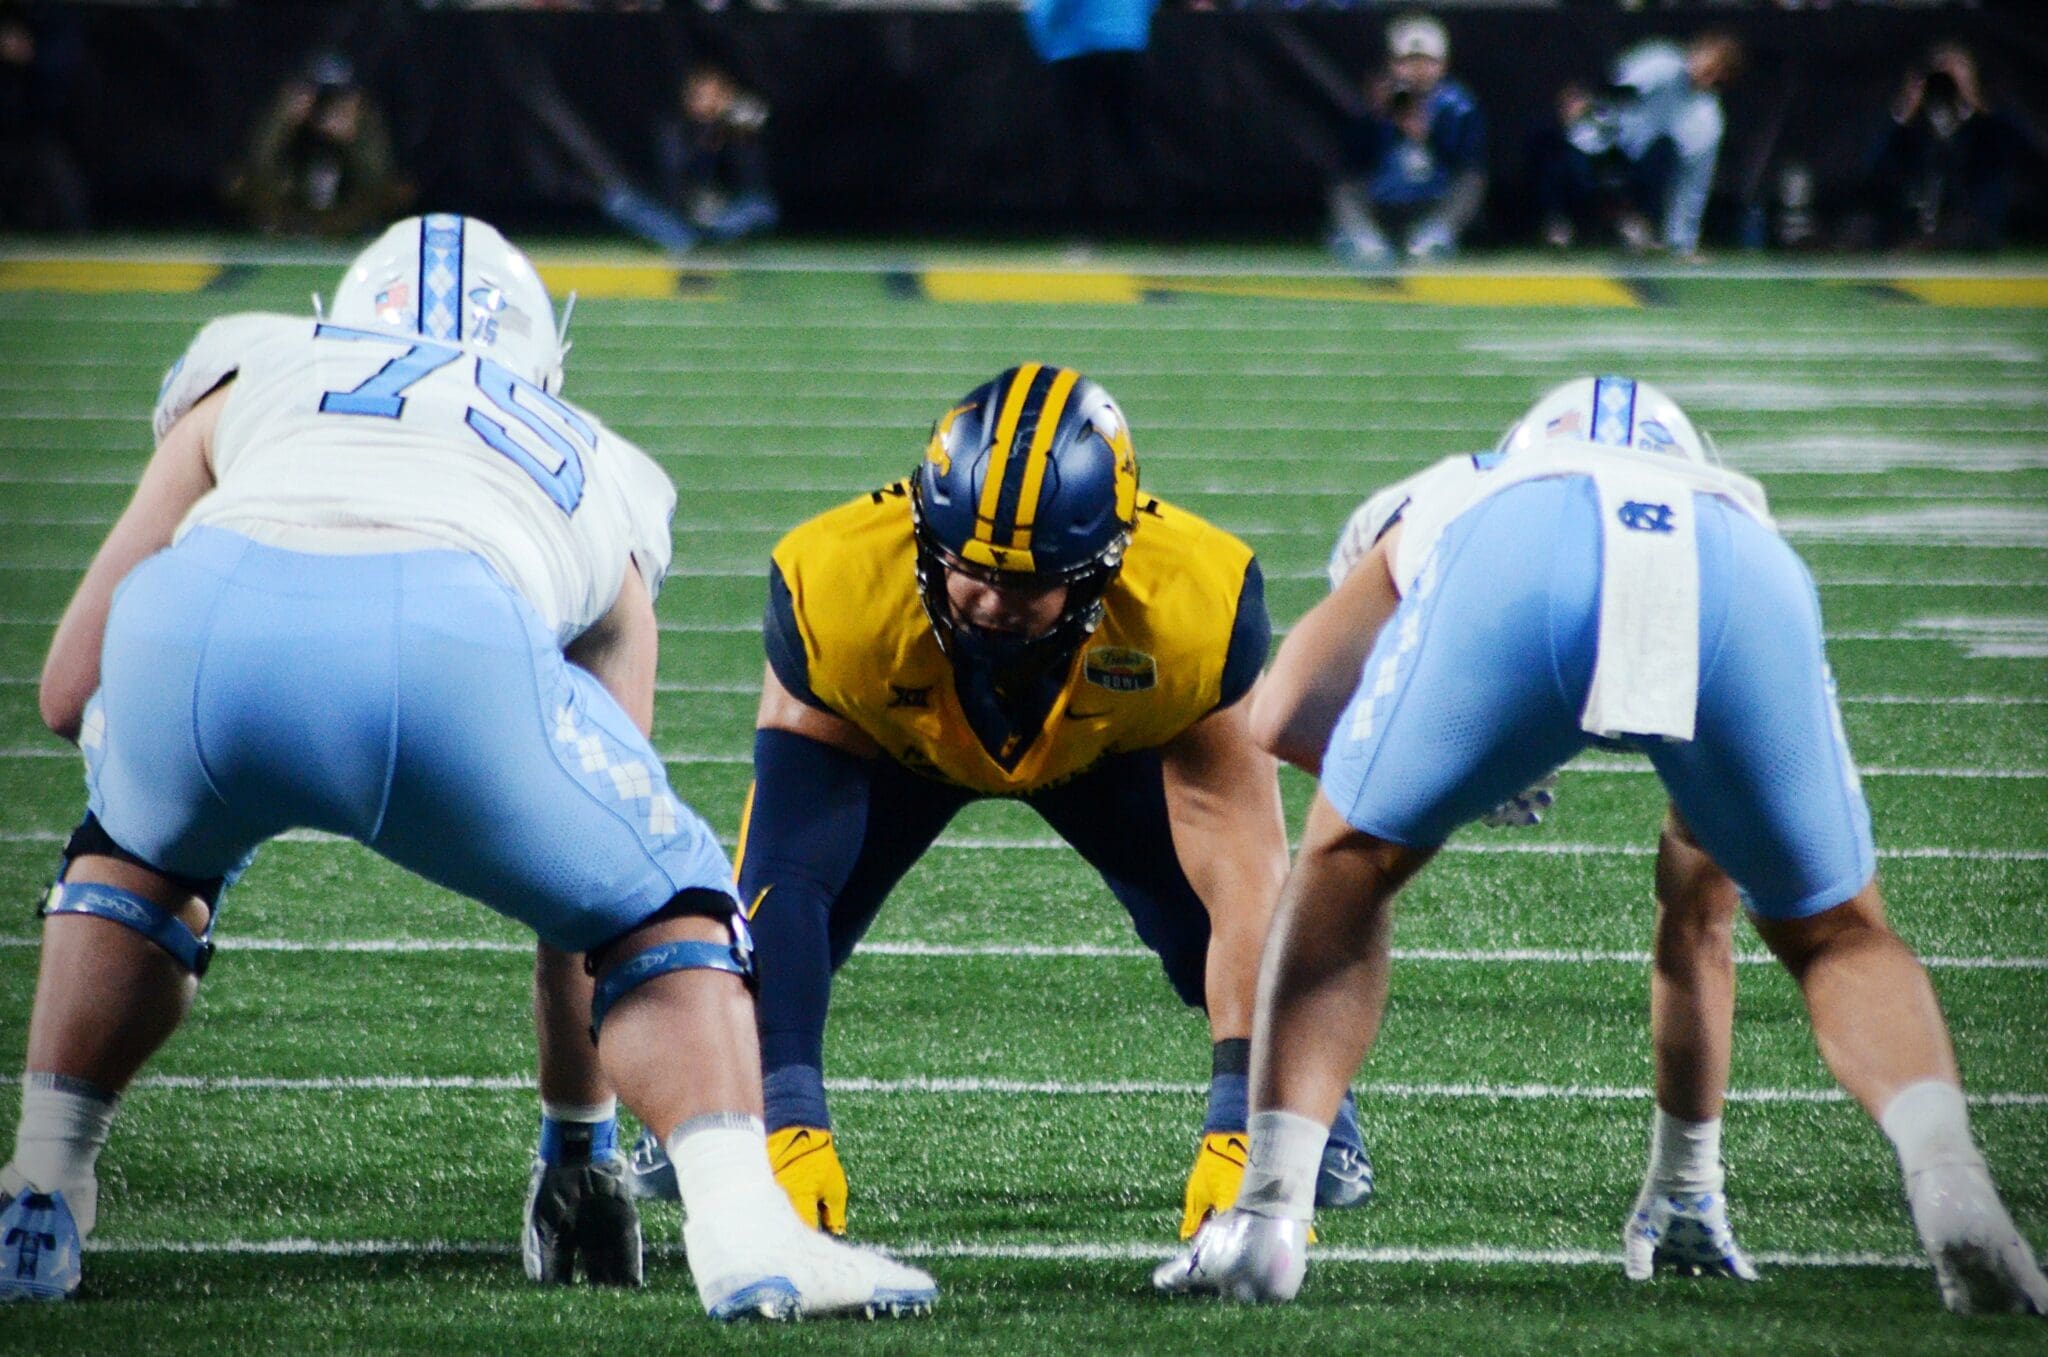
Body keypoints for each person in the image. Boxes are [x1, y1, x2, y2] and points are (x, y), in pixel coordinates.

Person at [0, 214, 935, 1322]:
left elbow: (67, 689)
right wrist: (575, 1146)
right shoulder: (599, 459)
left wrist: (177, 780)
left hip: (189, 632)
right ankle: (747, 1236)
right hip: (447, 636)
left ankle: (40, 1193)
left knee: (132, 848)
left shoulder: (257, 356)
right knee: (669, 894)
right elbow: (586, 904)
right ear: (542, 353)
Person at [1154, 376, 2048, 1316]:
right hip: (1732, 577)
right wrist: (1685, 1177)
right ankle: (1953, 1186)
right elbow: (1700, 911)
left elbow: (1285, 708)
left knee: (1348, 865)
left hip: (1521, 552)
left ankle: (1266, 1220)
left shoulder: (1471, 480)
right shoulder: (1735, 504)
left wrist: (1454, 769)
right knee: (1836, 934)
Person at [626, 364, 1371, 1242]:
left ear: (1101, 568)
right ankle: (720, 1099)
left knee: (1196, 925)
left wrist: (1247, 1117)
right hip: (898, 738)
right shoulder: (838, 583)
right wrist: (786, 1111)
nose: (986, 599)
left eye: (1026, 582)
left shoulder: (1190, 606)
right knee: (762, 932)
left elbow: (1244, 867)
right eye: (965, 567)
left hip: (1104, 739)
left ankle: (1300, 1108)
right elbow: (788, 867)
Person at [1535, 32, 1741, 259]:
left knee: (1666, 152)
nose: (1706, 76)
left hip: (1636, 173)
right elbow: (1614, 87)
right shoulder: (1661, 62)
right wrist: (1583, 109)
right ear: (1697, 52)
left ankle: (1635, 225)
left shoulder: (1708, 121)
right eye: (1707, 66)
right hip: (1598, 148)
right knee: (1550, 148)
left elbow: (1692, 186)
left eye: (1717, 75)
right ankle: (1558, 224)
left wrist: (1683, 244)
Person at [1328, 14, 1485, 265]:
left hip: (1432, 200)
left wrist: (1428, 135)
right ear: (1392, 64)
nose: (1418, 71)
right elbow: (1351, 162)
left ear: (1442, 65)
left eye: (1426, 62)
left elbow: (1466, 159)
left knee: (1472, 182)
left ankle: (1434, 237)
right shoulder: (1378, 100)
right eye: (1408, 62)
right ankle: (1365, 240)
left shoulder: (1458, 105)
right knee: (1344, 191)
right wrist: (1375, 121)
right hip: (1383, 202)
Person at [227, 51, 411, 239]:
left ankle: (343, 228)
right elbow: (258, 168)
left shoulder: (363, 117)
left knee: (395, 189)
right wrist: (283, 124)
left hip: (347, 216)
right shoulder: (282, 114)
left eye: (334, 96)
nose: (323, 104)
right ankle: (280, 226)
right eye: (315, 95)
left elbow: (377, 180)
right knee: (240, 181)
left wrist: (353, 140)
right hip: (287, 213)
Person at [1857, 43, 2013, 253]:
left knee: (1962, 233)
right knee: (1862, 227)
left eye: (1956, 71)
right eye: (1941, 71)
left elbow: (2005, 157)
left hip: (1969, 226)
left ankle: (1923, 247)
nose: (1947, 80)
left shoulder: (1986, 126)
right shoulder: (1912, 129)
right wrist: (1905, 111)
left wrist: (1975, 103)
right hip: (1912, 223)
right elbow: (1874, 170)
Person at [656, 64, 779, 247]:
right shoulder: (675, 128)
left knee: (761, 208)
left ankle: (712, 237)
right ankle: (696, 239)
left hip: (729, 211)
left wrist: (737, 130)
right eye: (702, 96)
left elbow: (752, 178)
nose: (710, 103)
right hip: (687, 211)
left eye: (716, 96)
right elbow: (676, 173)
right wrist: (708, 132)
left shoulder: (736, 130)